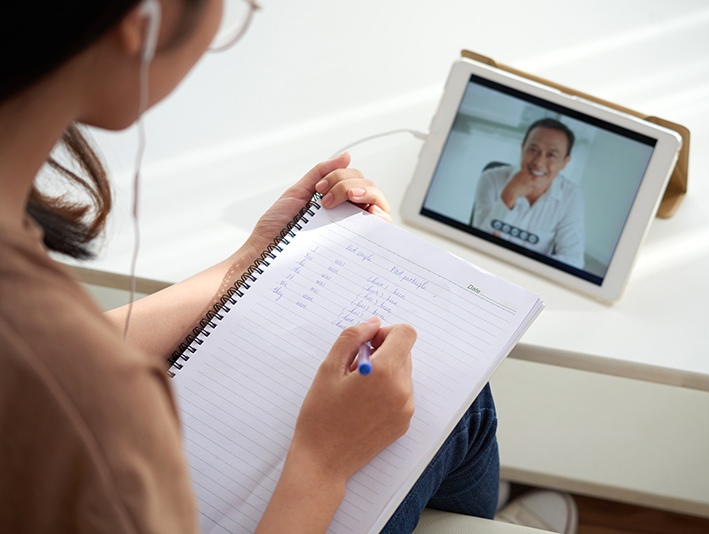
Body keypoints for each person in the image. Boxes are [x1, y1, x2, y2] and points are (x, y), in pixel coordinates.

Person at [0, 1, 500, 532]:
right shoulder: (95, 406)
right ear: (145, 20)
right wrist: (321, 463)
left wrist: (250, 263)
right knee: (454, 406)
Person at [472, 118, 586, 269]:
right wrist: (508, 196)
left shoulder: (571, 196)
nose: (539, 162)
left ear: (565, 162)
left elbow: (574, 261)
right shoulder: (491, 178)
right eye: (533, 150)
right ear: (522, 148)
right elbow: (475, 244)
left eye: (551, 155)